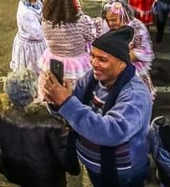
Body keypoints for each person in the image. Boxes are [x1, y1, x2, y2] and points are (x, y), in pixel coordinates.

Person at [43, 26, 153, 187]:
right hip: (96, 167)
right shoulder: (92, 78)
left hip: (122, 175)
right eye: (93, 56)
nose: (94, 63)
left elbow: (112, 131)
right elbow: (73, 109)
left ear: (122, 64)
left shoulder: (136, 94)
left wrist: (66, 103)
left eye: (102, 59)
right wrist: (56, 102)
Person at [0, 68, 69, 187]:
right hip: (45, 178)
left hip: (12, 169)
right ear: (33, 92)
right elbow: (64, 153)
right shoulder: (50, 121)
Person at [39, 0, 97, 87]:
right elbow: (92, 36)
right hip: (76, 63)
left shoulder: (46, 20)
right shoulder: (81, 21)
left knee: (53, 87)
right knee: (77, 90)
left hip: (53, 60)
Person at [97, 0, 155, 96]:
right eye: (108, 20)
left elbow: (145, 51)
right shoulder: (102, 25)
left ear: (123, 16)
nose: (110, 23)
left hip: (132, 72)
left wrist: (118, 56)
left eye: (114, 20)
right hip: (109, 71)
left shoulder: (137, 27)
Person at [11, 0, 47, 72]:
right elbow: (39, 34)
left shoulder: (36, 2)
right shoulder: (26, 14)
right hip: (31, 47)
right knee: (33, 72)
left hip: (37, 42)